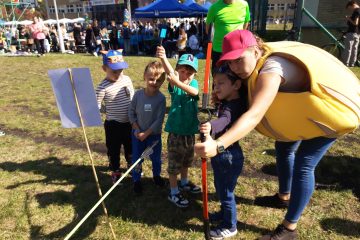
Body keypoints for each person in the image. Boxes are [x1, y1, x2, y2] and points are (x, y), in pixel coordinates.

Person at [195, 30, 360, 239]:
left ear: (255, 51)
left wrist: (218, 145)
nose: (234, 67)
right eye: (230, 62)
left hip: (333, 112)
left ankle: (289, 228)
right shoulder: (248, 68)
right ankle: (284, 196)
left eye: (239, 59)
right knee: (283, 147)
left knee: (304, 163)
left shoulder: (273, 68)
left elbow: (254, 114)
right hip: (305, 112)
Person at [199, 65, 247, 239]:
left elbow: (225, 120)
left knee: (226, 192)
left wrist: (211, 125)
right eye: (214, 84)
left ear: (236, 85)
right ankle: (224, 214)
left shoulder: (233, 106)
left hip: (228, 156)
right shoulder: (229, 102)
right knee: (221, 189)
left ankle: (230, 225)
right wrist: (218, 101)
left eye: (221, 83)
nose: (216, 87)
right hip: (222, 154)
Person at [156, 45, 201, 208]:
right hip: (176, 132)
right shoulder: (174, 85)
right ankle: (174, 192)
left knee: (186, 160)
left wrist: (178, 80)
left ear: (195, 74)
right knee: (174, 163)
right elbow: (170, 73)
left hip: (190, 132)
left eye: (190, 73)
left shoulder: (193, 85)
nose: (186, 76)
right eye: (182, 72)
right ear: (177, 71)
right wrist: (163, 58)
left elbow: (195, 93)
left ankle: (184, 182)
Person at [96, 49, 134, 184]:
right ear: (104, 68)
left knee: (131, 146)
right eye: (114, 71)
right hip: (113, 125)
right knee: (113, 149)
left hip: (129, 123)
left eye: (120, 70)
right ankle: (116, 170)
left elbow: (132, 97)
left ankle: (132, 165)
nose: (118, 74)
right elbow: (97, 105)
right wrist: (104, 110)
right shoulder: (102, 87)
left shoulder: (127, 79)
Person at [128, 61, 167, 194]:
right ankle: (136, 180)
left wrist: (147, 133)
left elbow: (159, 119)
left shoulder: (161, 99)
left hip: (153, 137)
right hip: (137, 135)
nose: (154, 82)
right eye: (151, 79)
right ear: (145, 76)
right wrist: (138, 130)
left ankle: (156, 176)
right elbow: (131, 112)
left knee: (156, 158)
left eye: (158, 80)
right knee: (137, 159)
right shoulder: (138, 95)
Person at [206, 0, 250, 71]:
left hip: (238, 50)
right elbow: (208, 29)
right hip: (219, 50)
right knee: (219, 78)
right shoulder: (214, 7)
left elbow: (246, 23)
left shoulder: (244, 5)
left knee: (237, 77)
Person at [342, 0, 360, 67]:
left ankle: (345, 64)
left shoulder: (356, 11)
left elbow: (355, 23)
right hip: (358, 33)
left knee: (348, 48)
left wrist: (348, 18)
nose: (351, 10)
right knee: (354, 49)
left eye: (350, 8)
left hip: (352, 33)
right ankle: (352, 64)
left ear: (353, 5)